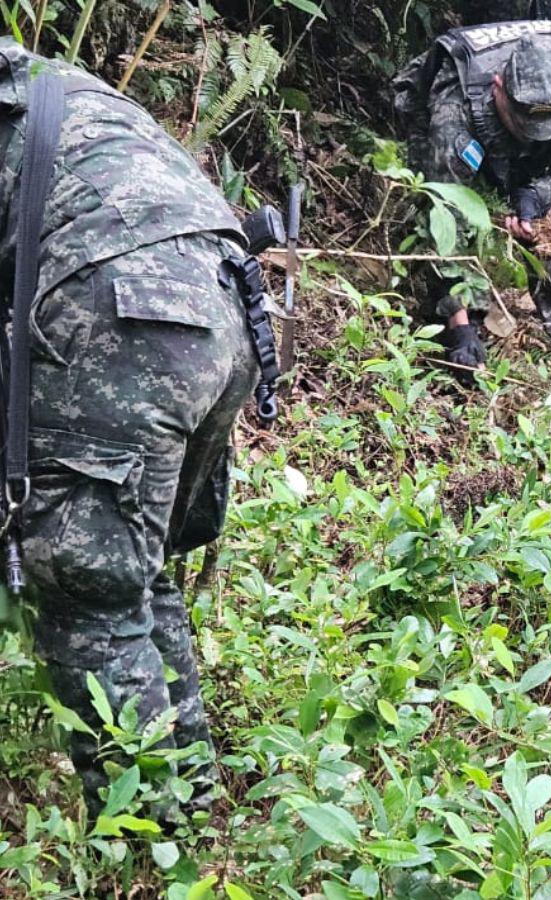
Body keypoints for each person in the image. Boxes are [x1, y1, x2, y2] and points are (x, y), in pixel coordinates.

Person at [0, 40, 261, 817]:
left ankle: (151, 841)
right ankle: (193, 814)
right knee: (136, 577)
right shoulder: (53, 85)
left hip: (123, 317)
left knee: (87, 594)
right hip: (228, 308)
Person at [392, 20, 551, 386]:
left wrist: (537, 193)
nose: (530, 135)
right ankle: (460, 324)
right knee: (444, 212)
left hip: (539, 156)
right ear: (498, 88)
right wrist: (461, 327)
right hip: (448, 121)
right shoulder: (456, 106)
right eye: (522, 122)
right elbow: (446, 213)